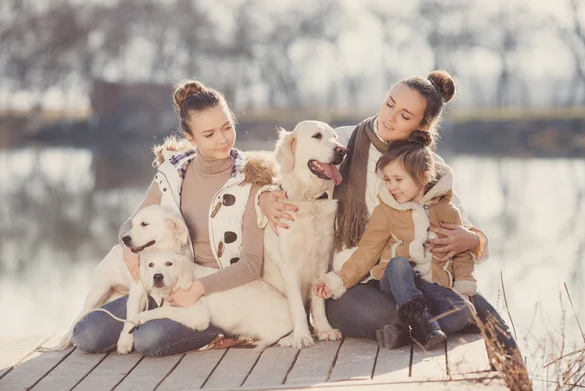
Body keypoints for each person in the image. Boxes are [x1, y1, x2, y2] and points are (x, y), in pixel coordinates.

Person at [258, 70, 519, 361]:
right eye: (390, 103)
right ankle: (423, 322)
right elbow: (285, 161)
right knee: (378, 314)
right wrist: (265, 194)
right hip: (351, 279)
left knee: (469, 311)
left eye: (405, 116)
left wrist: (472, 239)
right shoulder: (344, 141)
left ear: (422, 126)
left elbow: (460, 221)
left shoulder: (427, 167)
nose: (390, 117)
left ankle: (488, 346)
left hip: (414, 274)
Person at [72, 80, 267, 356]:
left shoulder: (250, 178)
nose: (223, 139)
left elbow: (252, 263)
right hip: (165, 283)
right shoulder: (173, 172)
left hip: (218, 294)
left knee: (149, 339)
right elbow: (132, 224)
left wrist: (197, 289)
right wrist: (129, 247)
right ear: (191, 138)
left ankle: (221, 331)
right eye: (209, 134)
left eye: (227, 127)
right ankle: (158, 315)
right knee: (86, 334)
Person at [318, 130, 477, 350]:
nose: (392, 186)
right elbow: (367, 252)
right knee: (399, 264)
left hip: (431, 286)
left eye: (398, 180)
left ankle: (414, 331)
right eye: (387, 180)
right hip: (394, 282)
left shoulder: (447, 211)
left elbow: (462, 256)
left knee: (465, 311)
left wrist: (463, 285)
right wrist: (338, 281)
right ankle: (419, 320)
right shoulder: (386, 211)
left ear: (423, 176)